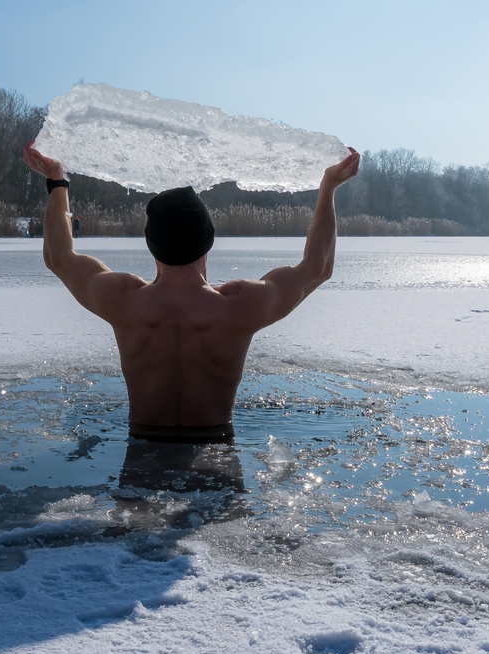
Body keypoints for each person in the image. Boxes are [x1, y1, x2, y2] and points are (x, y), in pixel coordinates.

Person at [23, 140, 360, 441]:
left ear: (153, 247)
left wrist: (57, 182)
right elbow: (318, 268)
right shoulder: (239, 306)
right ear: (207, 245)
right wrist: (329, 186)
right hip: (216, 448)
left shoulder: (124, 301)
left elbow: (60, 257)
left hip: (143, 448)